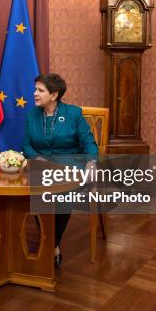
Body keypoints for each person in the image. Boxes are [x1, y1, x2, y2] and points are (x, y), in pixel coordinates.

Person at [22, 73, 98, 267]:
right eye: (35, 89)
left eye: (40, 90)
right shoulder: (32, 115)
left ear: (54, 95)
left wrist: (91, 163)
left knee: (63, 193)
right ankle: (52, 245)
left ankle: (50, 243)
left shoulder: (74, 114)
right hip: (40, 168)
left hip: (69, 167)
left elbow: (88, 142)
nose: (35, 94)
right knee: (37, 191)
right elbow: (26, 144)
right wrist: (35, 157)